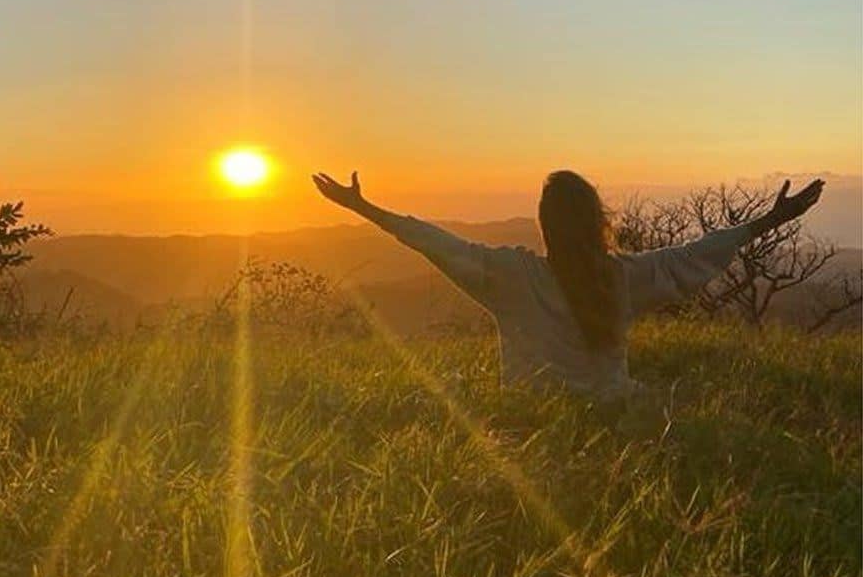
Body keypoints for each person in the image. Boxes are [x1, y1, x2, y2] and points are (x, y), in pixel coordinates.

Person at [312, 169, 824, 399]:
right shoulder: (626, 277)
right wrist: (770, 220)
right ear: (598, 221)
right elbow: (695, 257)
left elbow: (437, 243)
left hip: (532, 416)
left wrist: (364, 209)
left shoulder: (510, 276)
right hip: (617, 408)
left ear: (543, 223)